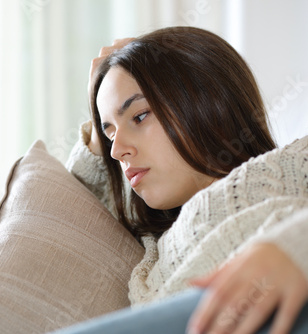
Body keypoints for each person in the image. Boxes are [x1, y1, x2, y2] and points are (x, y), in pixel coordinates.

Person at [58, 26, 308, 334]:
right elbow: (71, 209)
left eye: (139, 117)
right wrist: (97, 132)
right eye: (110, 134)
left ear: (209, 100)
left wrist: (295, 247)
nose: (117, 151)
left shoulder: (291, 164)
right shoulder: (149, 245)